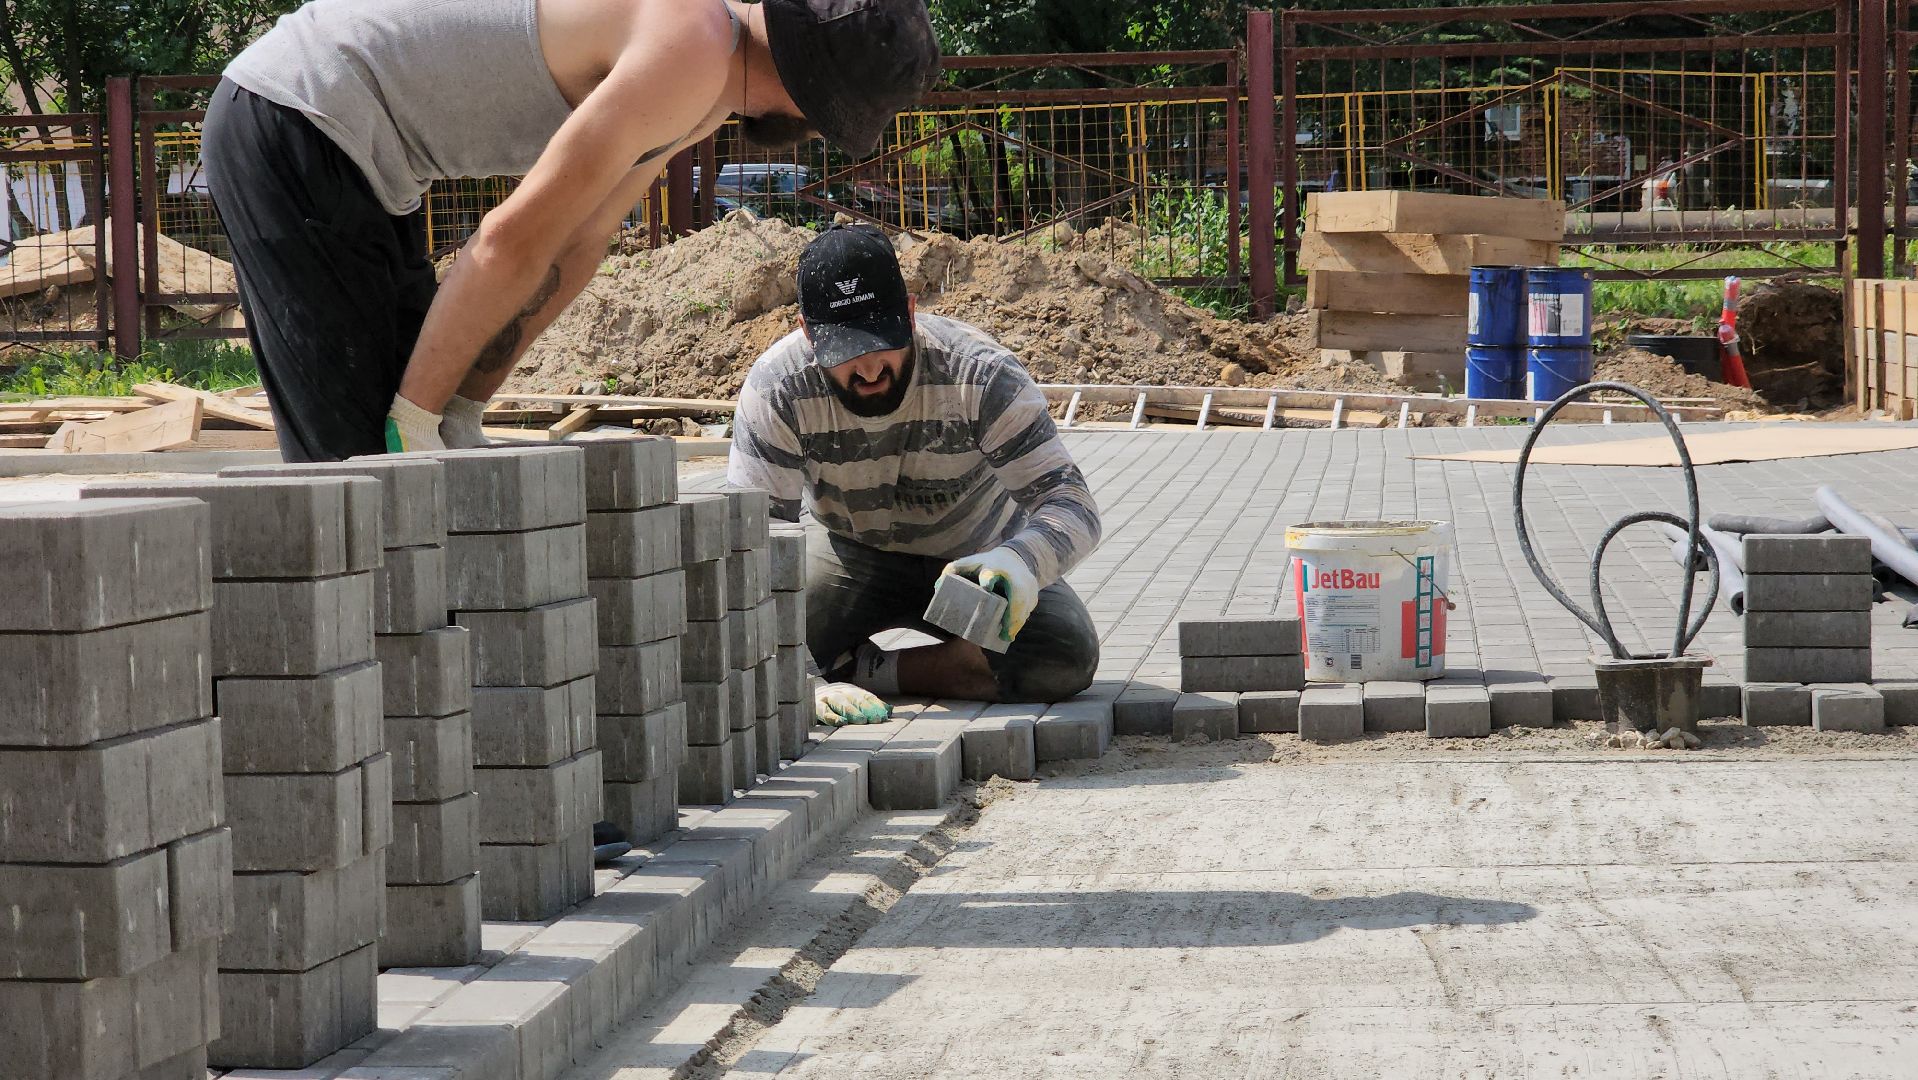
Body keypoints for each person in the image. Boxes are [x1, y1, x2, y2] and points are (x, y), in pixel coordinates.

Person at [202, 0, 940, 462]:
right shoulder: (690, 46)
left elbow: (579, 243)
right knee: (356, 468)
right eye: (827, 124)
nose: (812, 139)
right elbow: (509, 241)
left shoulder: (710, 80)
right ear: (813, 92)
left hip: (358, 154)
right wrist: (413, 423)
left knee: (397, 423)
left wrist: (459, 407)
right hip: (294, 115)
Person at [727, 224, 1103, 726]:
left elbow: (1072, 503)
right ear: (807, 333)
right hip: (852, 559)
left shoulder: (981, 374)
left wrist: (1021, 563)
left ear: (909, 311)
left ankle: (867, 672)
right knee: (756, 644)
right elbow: (752, 541)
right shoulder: (777, 388)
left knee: (1064, 657)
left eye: (881, 342)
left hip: (977, 563)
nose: (867, 369)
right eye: (843, 351)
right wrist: (794, 683)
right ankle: (847, 670)